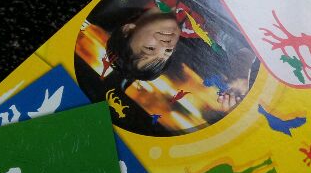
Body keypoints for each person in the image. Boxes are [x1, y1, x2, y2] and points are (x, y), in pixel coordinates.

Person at [105, 7, 255, 112]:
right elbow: (233, 42)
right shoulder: (194, 28)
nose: (166, 45)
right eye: (167, 52)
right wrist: (240, 72)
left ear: (128, 30)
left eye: (150, 48)